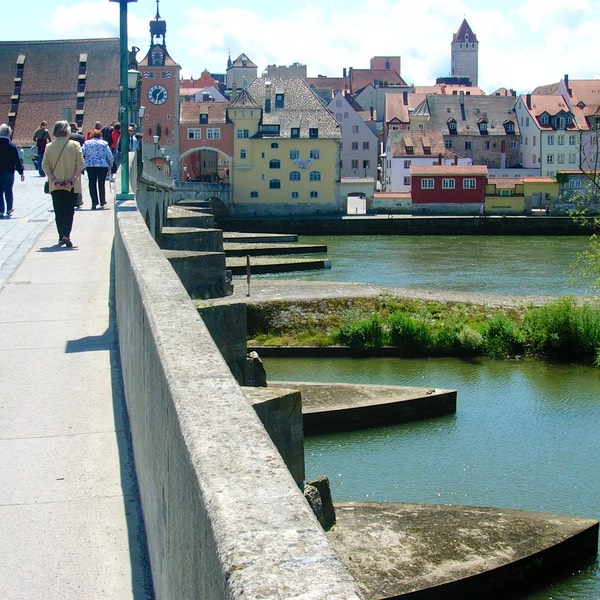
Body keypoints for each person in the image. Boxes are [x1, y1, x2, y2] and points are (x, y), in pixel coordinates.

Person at [42, 120, 84, 247]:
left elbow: (45, 166)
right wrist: (73, 178)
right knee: (69, 210)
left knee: (58, 211)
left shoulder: (49, 147)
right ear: (68, 131)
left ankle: (61, 236)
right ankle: (66, 235)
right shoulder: (75, 145)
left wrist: (53, 179)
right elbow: (81, 164)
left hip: (55, 185)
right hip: (71, 185)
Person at [82, 129, 113, 209]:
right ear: (100, 135)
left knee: (92, 183)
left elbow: (81, 152)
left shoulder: (87, 143)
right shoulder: (104, 143)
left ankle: (94, 202)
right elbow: (109, 155)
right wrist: (110, 165)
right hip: (102, 166)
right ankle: (102, 201)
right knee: (101, 183)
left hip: (90, 165)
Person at [0, 124, 25, 218]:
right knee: (8, 190)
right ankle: (9, 208)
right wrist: (21, 172)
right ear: (8, 133)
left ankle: (0, 210)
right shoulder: (12, 146)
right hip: (9, 172)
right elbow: (16, 161)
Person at [68, 124, 85, 208]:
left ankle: (68, 200)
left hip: (66, 162)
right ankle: (78, 200)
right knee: (77, 182)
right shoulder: (81, 137)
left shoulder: (65, 136)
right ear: (76, 129)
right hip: (77, 162)